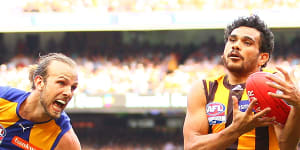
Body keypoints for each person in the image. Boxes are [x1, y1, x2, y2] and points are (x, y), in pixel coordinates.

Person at [183, 15, 300, 150]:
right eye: (232, 40)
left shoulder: (272, 82)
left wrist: (298, 105)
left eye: (247, 42)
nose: (236, 45)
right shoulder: (203, 89)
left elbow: (287, 145)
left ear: (263, 58)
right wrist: (235, 130)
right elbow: (191, 147)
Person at [0, 53, 81, 150]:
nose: (68, 93)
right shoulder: (3, 99)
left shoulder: (66, 141)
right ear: (39, 82)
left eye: (73, 87)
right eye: (61, 83)